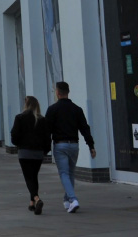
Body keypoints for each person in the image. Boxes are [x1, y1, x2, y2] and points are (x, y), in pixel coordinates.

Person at [44, 81, 95, 213]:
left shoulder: (52, 109)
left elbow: (46, 130)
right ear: (68, 92)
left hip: (60, 145)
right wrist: (91, 145)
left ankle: (73, 199)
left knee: (64, 173)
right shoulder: (76, 109)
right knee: (70, 173)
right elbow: (85, 128)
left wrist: (45, 148)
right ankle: (67, 200)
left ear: (57, 92)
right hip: (74, 145)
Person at [11, 96, 50, 215]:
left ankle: (37, 199)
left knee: (28, 178)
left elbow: (14, 135)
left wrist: (18, 144)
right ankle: (31, 203)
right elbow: (47, 137)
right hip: (38, 153)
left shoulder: (20, 118)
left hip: (25, 152)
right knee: (33, 176)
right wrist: (45, 151)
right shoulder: (42, 119)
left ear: (26, 105)